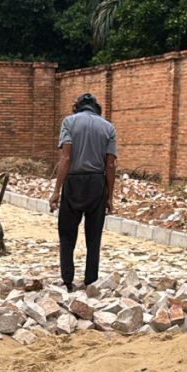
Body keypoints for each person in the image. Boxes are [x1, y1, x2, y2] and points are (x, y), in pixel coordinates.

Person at [49, 93, 117, 291]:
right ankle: (90, 281)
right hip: (97, 183)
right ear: (97, 109)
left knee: (67, 233)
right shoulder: (108, 127)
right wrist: (109, 196)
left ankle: (67, 279)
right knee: (94, 236)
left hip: (73, 183)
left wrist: (56, 191)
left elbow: (66, 158)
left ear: (77, 107)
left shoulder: (69, 123)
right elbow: (111, 164)